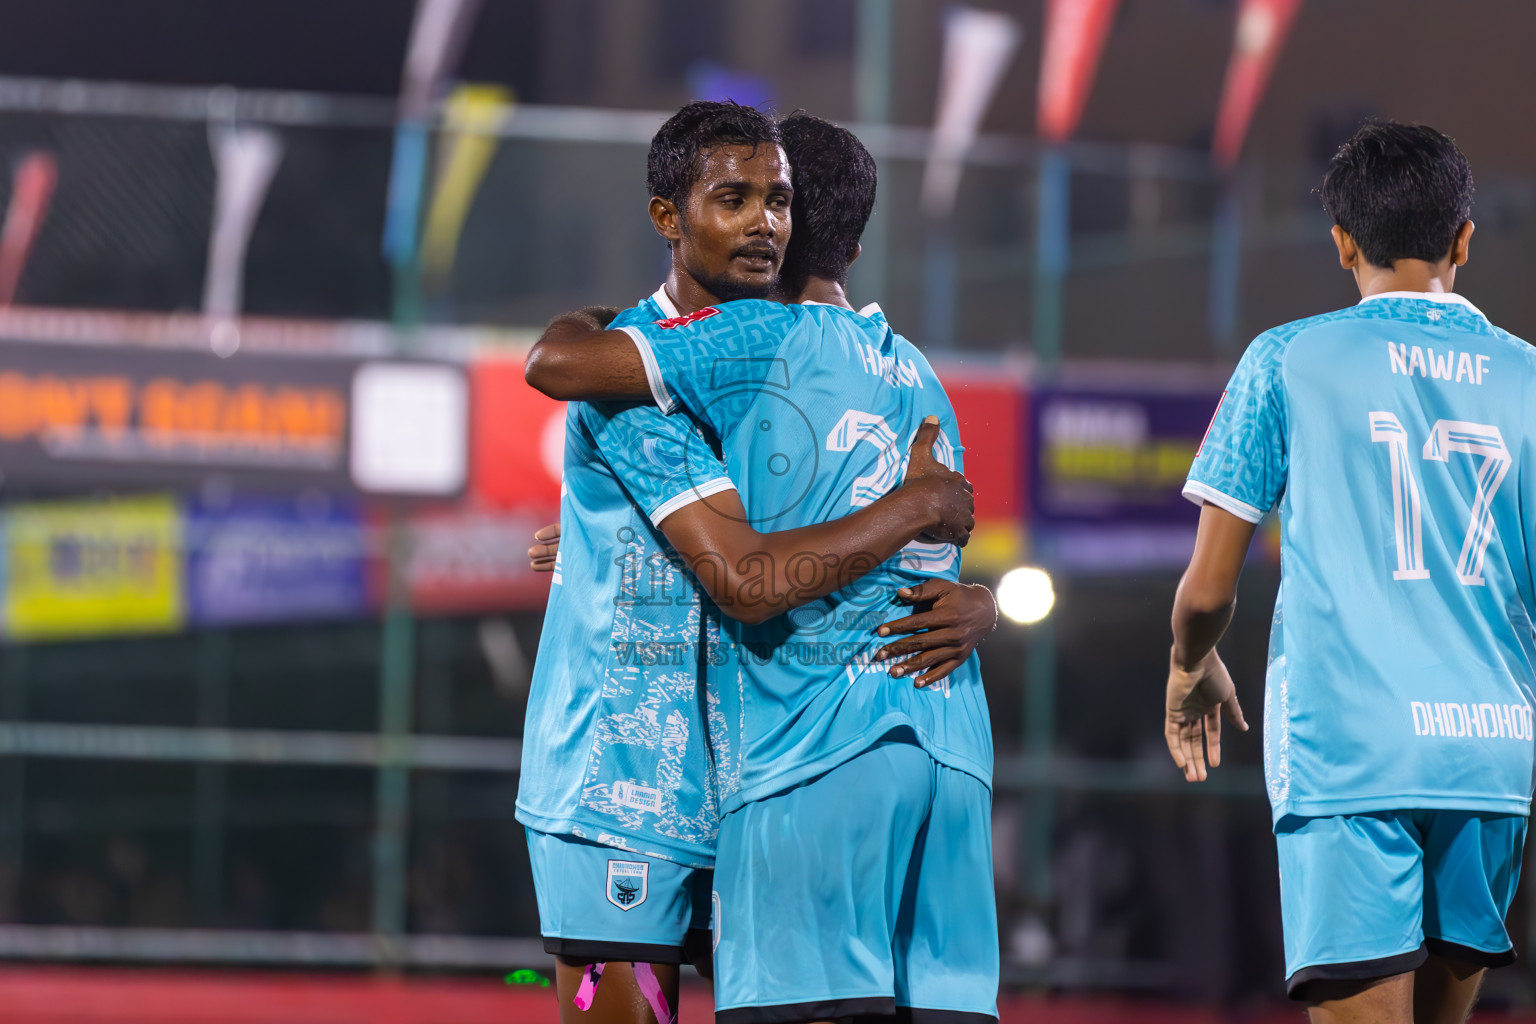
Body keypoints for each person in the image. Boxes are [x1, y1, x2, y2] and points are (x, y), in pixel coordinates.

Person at [517, 101, 996, 1024]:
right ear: (671, 216)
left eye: (778, 200)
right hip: (635, 780)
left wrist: (976, 605)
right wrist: (916, 511)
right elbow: (742, 571)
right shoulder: (636, 379)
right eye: (735, 199)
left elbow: (907, 540)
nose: (764, 222)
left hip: (765, 769)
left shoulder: (789, 361)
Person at [1164, 121, 1536, 1024]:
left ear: (1341, 242)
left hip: (1353, 750)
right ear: (1464, 240)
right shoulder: (1529, 375)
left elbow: (1210, 589)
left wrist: (1187, 666)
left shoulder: (1288, 358)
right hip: (1493, 752)